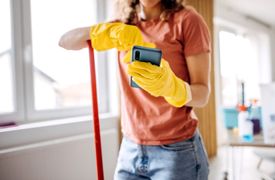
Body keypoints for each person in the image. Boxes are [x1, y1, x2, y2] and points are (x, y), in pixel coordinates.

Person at [59, 0, 211, 179]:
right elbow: (65, 41)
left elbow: (202, 93)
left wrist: (174, 88)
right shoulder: (123, 25)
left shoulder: (188, 20)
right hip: (130, 148)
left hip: (177, 150)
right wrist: (107, 31)